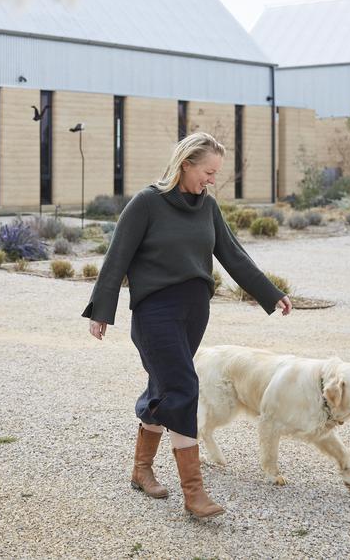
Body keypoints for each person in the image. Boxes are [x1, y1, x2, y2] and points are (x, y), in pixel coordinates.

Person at [82, 131, 292, 518]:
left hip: (194, 312)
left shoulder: (206, 207)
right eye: (208, 172)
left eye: (215, 174)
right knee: (183, 386)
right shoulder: (147, 203)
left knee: (163, 386)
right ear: (186, 164)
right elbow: (117, 257)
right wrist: (101, 310)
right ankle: (194, 494)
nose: (212, 180)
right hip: (154, 313)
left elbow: (233, 254)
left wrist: (269, 292)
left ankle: (141, 470)